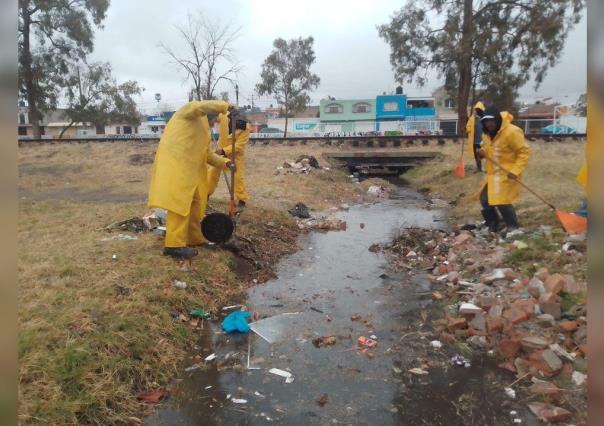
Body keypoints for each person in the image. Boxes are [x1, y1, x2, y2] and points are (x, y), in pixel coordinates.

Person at [148, 100, 237, 259]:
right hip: (177, 167)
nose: (214, 122)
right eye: (215, 118)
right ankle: (173, 246)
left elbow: (206, 154)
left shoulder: (203, 129)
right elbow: (199, 106)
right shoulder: (188, 111)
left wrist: (225, 162)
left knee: (197, 205)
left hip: (192, 172)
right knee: (179, 206)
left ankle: (194, 239)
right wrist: (225, 106)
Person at [476, 105, 530, 233]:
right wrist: (482, 152)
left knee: (502, 201)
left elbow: (523, 152)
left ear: (497, 119)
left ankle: (513, 226)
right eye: (486, 121)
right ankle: (494, 223)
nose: (489, 124)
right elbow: (489, 149)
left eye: (491, 121)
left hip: (507, 173)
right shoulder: (487, 134)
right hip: (492, 174)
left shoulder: (512, 132)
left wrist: (515, 171)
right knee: (484, 198)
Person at [207, 114, 250, 210]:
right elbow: (214, 118)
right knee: (212, 173)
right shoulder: (224, 116)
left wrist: (224, 151)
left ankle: (242, 199)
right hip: (220, 149)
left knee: (238, 177)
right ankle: (206, 194)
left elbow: (239, 146)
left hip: (235, 154)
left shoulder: (245, 127)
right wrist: (208, 117)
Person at [465, 101, 486, 172]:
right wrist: (467, 129)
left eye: (477, 110)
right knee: (476, 155)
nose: (476, 111)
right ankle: (479, 168)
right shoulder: (471, 118)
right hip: (474, 141)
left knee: (485, 155)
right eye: (475, 110)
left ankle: (487, 168)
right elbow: (468, 126)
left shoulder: (484, 118)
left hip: (483, 141)